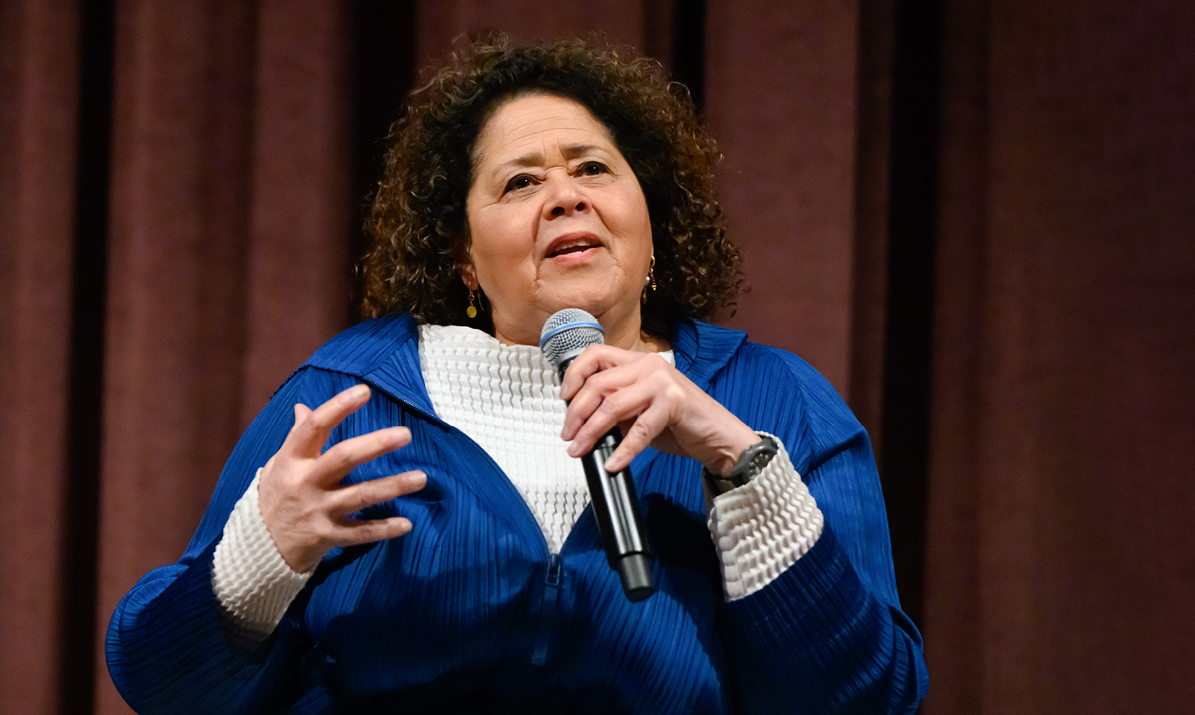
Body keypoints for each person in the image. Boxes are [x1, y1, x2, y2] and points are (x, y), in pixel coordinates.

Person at [105, 34, 928, 714]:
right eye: (521, 181)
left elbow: (872, 698)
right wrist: (261, 554)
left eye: (593, 169)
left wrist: (738, 465)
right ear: (463, 257)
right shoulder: (345, 400)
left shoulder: (771, 403)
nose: (565, 197)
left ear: (651, 224)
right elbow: (161, 683)